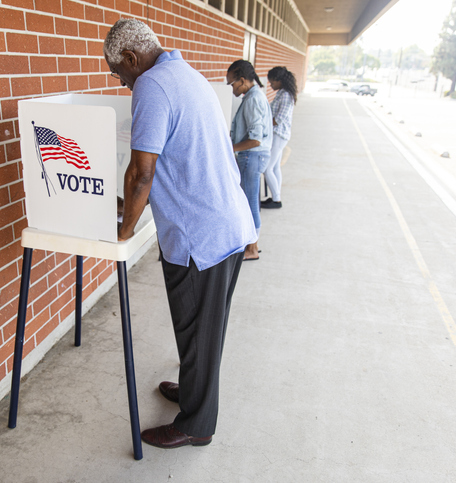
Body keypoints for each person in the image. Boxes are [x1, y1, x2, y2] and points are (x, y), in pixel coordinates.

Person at [103, 19, 257, 450]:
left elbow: (142, 172)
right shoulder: (189, 76)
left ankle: (197, 424)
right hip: (227, 224)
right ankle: (194, 393)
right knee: (206, 329)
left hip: (200, 238)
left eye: (119, 74)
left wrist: (125, 229)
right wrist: (129, 203)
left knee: (198, 333)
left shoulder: (151, 85)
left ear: (132, 60)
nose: (123, 83)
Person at [227, 60, 272, 261]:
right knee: (249, 199)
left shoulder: (253, 99)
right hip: (255, 156)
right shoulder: (254, 96)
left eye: (232, 84)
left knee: (249, 202)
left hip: (251, 156)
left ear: (243, 80)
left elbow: (254, 139)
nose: (232, 88)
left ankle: (252, 248)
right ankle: (251, 244)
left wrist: (230, 148)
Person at [261, 66, 297, 209]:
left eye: (272, 82)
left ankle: (276, 200)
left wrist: (262, 124)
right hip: (279, 134)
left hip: (279, 134)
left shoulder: (286, 96)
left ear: (279, 80)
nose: (271, 85)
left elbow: (279, 119)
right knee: (275, 167)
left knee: (267, 168)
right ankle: (276, 195)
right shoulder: (282, 93)